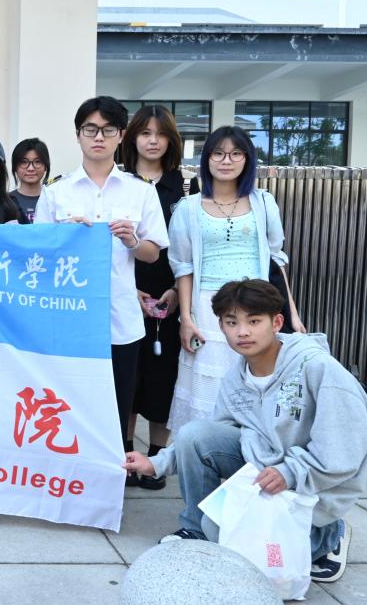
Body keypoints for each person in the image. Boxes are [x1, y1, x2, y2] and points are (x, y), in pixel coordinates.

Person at [125, 279, 367, 584]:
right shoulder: (237, 376)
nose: (242, 332)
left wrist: (291, 471)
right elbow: (215, 434)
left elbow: (348, 444)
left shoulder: (317, 367)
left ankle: (329, 533)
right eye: (232, 322)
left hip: (313, 485)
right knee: (195, 435)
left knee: (261, 559)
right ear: (222, 326)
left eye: (254, 321)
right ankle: (197, 528)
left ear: (277, 322)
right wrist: (156, 464)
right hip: (265, 474)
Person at [34, 96, 168, 471]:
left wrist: (132, 241)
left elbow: (153, 253)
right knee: (67, 403)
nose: (98, 137)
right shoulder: (56, 191)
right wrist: (64, 238)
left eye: (108, 130)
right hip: (69, 318)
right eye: (90, 129)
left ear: (121, 135)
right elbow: (39, 256)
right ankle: (67, 473)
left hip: (120, 319)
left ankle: (109, 479)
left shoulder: (140, 190)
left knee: (116, 404)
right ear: (78, 135)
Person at [167, 126, 305, 434]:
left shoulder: (263, 202)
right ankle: (206, 448)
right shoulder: (189, 208)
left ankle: (252, 451)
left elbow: (276, 260)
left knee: (256, 378)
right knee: (209, 383)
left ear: (247, 159)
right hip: (208, 307)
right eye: (218, 153)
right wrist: (186, 318)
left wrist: (293, 314)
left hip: (256, 304)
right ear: (207, 159)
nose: (226, 161)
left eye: (235, 154)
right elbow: (183, 267)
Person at [118, 106, 199, 489]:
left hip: (171, 295)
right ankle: (126, 457)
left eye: (161, 134)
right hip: (124, 293)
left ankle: (155, 458)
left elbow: (191, 249)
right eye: (145, 133)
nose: (153, 141)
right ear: (132, 137)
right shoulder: (118, 183)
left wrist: (176, 294)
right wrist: (125, 290)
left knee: (163, 378)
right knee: (127, 379)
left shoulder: (185, 188)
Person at [9, 138, 50, 223]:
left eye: (37, 162)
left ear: (46, 166)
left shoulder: (53, 200)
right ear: (15, 167)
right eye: (24, 162)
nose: (31, 168)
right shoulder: (5, 202)